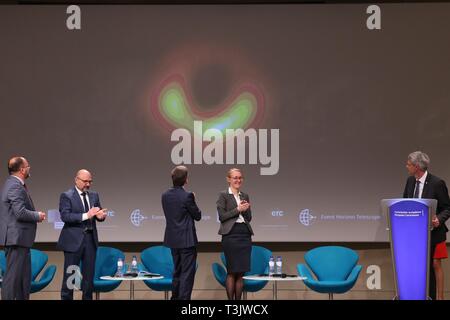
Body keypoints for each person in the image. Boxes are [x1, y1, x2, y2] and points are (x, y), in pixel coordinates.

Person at [403, 151, 450, 300]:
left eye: (409, 164)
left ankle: (439, 298)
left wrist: (439, 219)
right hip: (415, 234)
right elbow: (405, 203)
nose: (406, 166)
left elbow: (447, 208)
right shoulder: (410, 181)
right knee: (419, 267)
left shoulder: (437, 183)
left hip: (434, 233)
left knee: (435, 265)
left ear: (417, 166)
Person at [0, 156, 46, 300]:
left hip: (20, 240)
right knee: (12, 280)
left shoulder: (14, 184)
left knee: (22, 281)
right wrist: (37, 215)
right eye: (28, 166)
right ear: (21, 169)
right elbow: (19, 212)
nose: (29, 168)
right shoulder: (14, 185)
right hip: (16, 239)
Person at [57, 169, 107, 300]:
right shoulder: (67, 195)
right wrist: (87, 215)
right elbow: (65, 216)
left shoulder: (94, 195)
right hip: (73, 242)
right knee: (71, 278)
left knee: (88, 279)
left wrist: (100, 216)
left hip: (90, 240)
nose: (88, 184)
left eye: (90, 181)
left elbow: (97, 213)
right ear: (76, 180)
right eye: (85, 181)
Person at [162, 165, 202, 300]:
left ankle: (175, 298)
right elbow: (197, 216)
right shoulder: (187, 196)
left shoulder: (165, 195)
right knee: (187, 274)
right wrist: (193, 200)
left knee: (177, 271)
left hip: (173, 241)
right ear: (186, 180)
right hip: (187, 241)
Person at [217, 168, 253, 300]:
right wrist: (238, 209)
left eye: (240, 177)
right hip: (230, 235)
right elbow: (222, 216)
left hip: (244, 234)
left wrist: (246, 209)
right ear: (229, 179)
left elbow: (249, 218)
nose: (238, 180)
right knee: (232, 271)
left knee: (241, 273)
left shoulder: (245, 195)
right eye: (235, 178)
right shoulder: (223, 195)